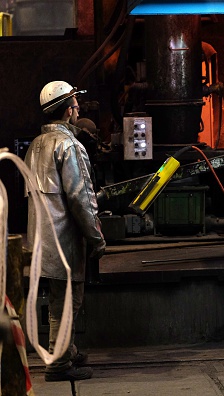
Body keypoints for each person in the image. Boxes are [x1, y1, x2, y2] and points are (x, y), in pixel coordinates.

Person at [25, 81, 106, 382]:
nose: (78, 109)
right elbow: (81, 197)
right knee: (67, 302)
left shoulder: (36, 145)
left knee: (59, 297)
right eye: (76, 104)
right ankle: (58, 364)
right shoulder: (70, 145)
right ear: (70, 110)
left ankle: (66, 350)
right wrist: (96, 237)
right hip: (64, 239)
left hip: (41, 237)